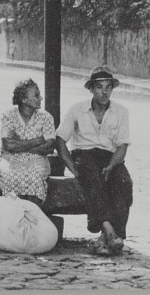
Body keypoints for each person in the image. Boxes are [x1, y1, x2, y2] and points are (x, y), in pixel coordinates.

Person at [56, 65, 132, 256]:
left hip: (110, 157)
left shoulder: (121, 111)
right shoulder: (78, 109)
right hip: (85, 154)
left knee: (124, 183)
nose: (104, 92)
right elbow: (60, 138)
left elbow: (122, 146)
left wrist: (112, 165)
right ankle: (109, 230)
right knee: (92, 178)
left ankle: (104, 240)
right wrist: (72, 167)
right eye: (99, 87)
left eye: (108, 87)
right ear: (91, 88)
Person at [0, 79, 56, 207]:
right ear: (23, 99)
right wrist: (39, 140)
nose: (41, 98)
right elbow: (8, 145)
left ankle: (32, 217)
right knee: (9, 174)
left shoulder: (46, 117)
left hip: (37, 159)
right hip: (10, 159)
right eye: (36, 95)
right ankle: (14, 218)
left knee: (35, 175)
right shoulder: (9, 115)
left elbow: (50, 146)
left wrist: (20, 144)